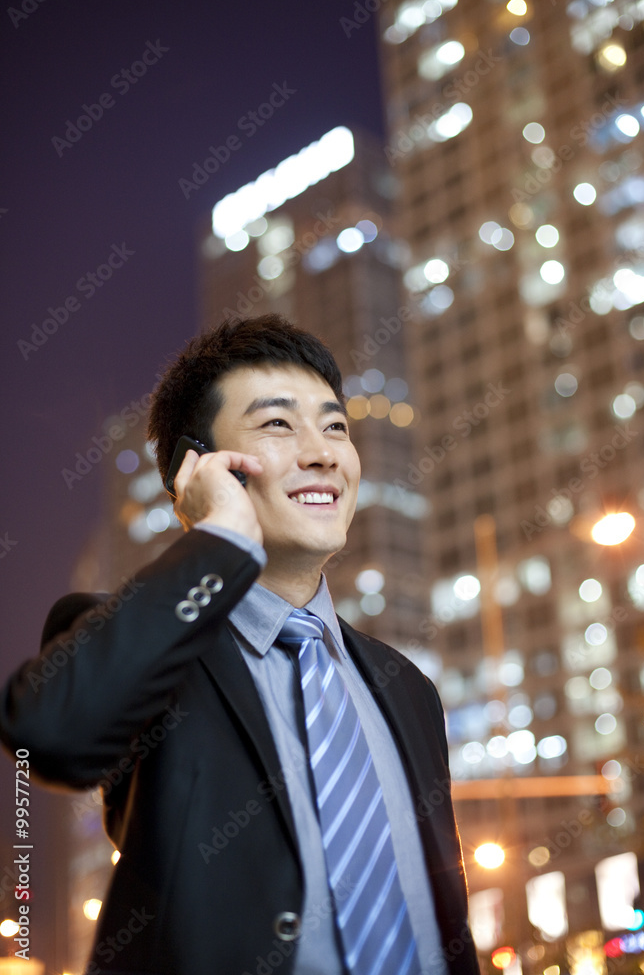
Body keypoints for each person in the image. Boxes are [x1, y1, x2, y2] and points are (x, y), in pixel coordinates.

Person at [0, 315, 479, 975]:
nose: (322, 453)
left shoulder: (408, 690)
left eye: (334, 425)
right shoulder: (149, 644)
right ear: (197, 470)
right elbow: (50, 732)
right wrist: (218, 540)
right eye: (277, 424)